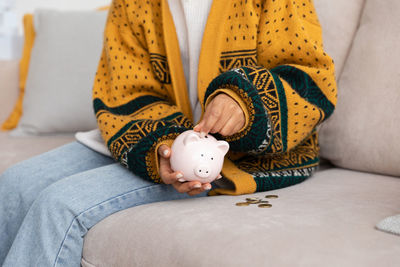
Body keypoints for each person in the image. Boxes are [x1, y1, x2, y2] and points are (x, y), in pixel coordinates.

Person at [0, 0, 337, 266]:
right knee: (13, 183)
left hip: (239, 157)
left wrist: (244, 102)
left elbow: (311, 79)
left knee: (60, 205)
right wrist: (162, 148)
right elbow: (124, 90)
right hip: (148, 139)